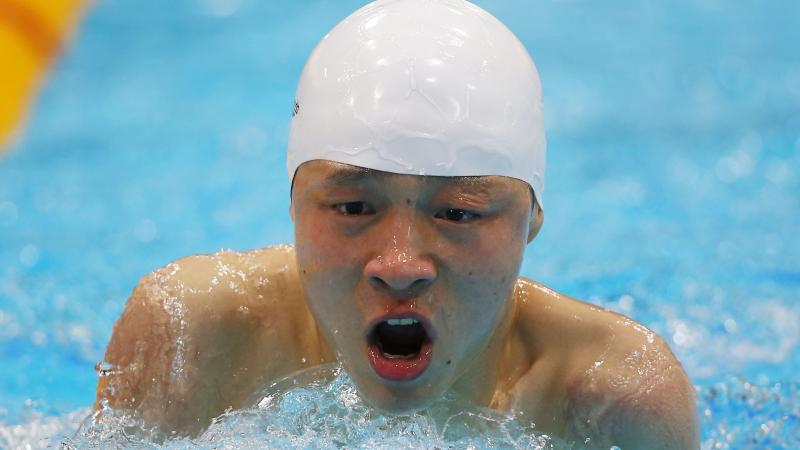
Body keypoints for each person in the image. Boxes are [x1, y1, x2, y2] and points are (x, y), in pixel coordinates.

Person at [95, 0, 699, 447]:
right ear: (293, 206)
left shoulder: (616, 401)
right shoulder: (192, 337)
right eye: (354, 207)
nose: (400, 265)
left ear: (532, 219)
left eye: (459, 213)